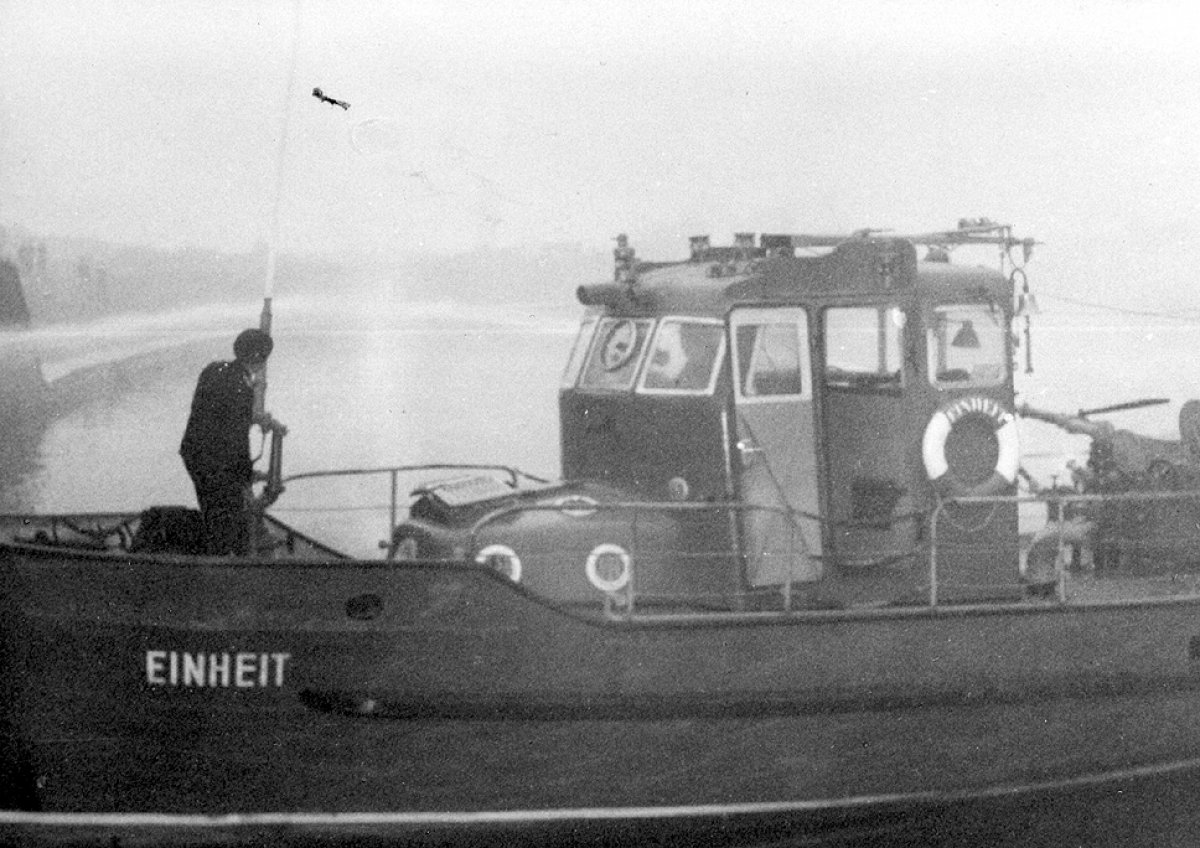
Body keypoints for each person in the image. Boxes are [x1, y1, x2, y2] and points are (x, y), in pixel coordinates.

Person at [180, 328, 282, 555]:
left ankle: (220, 553)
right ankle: (224, 561)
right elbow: (235, 438)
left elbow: (215, 415)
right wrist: (246, 473)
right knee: (225, 518)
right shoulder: (242, 388)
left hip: (195, 454)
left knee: (214, 510)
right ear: (259, 359)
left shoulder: (215, 370)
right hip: (216, 463)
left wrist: (251, 415)